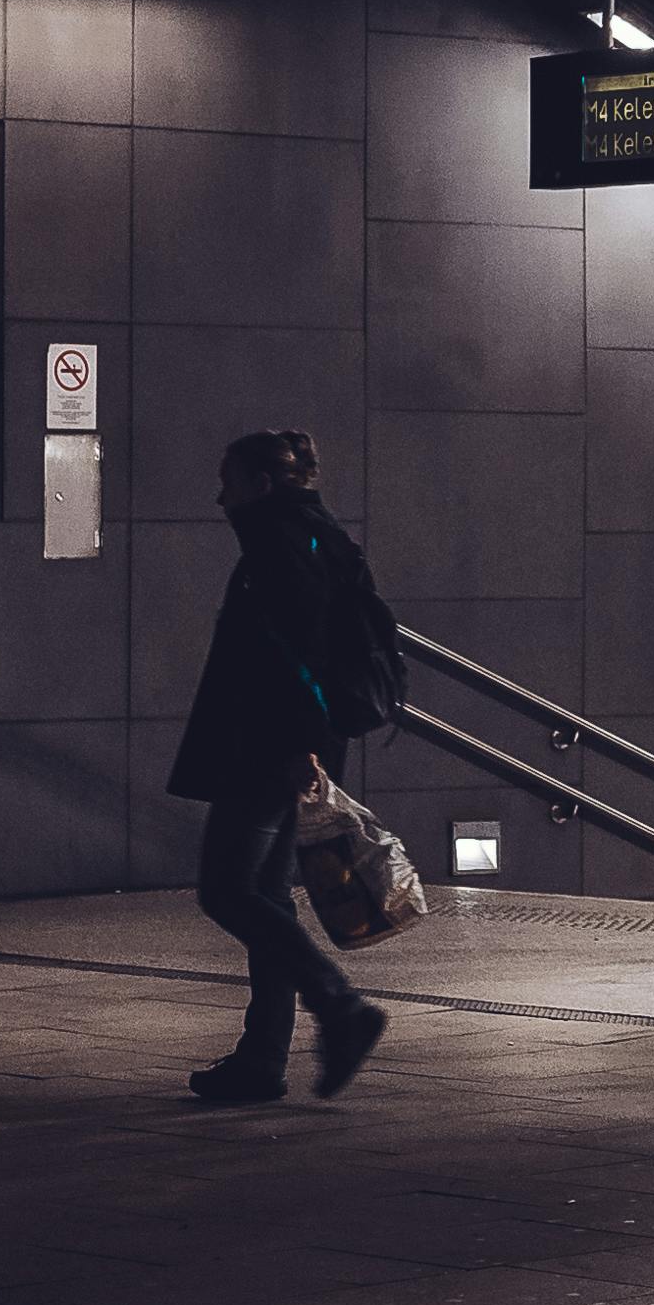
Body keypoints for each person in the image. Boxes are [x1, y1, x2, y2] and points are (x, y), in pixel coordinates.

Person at [165, 427, 392, 1104]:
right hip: (287, 742)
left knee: (227, 891)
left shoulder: (281, 542)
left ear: (263, 484)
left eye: (228, 480)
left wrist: (299, 747)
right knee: (262, 898)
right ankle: (262, 1057)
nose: (218, 496)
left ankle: (340, 1007)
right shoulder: (316, 533)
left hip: (269, 747)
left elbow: (298, 653)